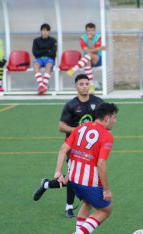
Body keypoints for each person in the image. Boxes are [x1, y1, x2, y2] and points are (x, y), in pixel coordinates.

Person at [33, 74, 104, 219]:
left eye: (87, 84)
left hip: (90, 148)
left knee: (71, 180)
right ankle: (69, 208)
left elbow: (104, 118)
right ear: (76, 87)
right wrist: (80, 131)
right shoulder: (71, 105)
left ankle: (46, 185)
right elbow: (61, 126)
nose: (85, 86)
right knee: (73, 177)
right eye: (81, 84)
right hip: (73, 146)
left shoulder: (97, 102)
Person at [54, 102, 118, 234]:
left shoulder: (80, 128)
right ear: (107, 118)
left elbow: (64, 149)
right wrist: (106, 189)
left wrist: (58, 171)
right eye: (114, 117)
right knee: (106, 210)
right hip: (88, 181)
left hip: (74, 179)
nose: (115, 121)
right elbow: (101, 164)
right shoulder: (107, 136)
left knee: (87, 203)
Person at [67, 22, 106, 93]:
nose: (90, 32)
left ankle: (74, 69)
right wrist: (98, 48)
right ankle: (91, 85)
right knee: (88, 60)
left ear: (95, 30)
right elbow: (86, 50)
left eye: (92, 30)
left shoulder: (99, 37)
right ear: (86, 31)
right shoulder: (82, 38)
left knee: (89, 55)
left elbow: (94, 52)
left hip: (98, 59)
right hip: (87, 60)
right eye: (89, 31)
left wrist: (90, 40)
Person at [32, 23, 57, 95]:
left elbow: (53, 53)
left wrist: (41, 51)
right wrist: (47, 50)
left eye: (47, 30)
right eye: (43, 30)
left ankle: (42, 86)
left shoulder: (53, 41)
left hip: (49, 59)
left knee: (49, 66)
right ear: (41, 31)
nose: (45, 32)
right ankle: (42, 86)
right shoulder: (36, 41)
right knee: (36, 65)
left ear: (49, 32)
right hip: (39, 59)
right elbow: (35, 53)